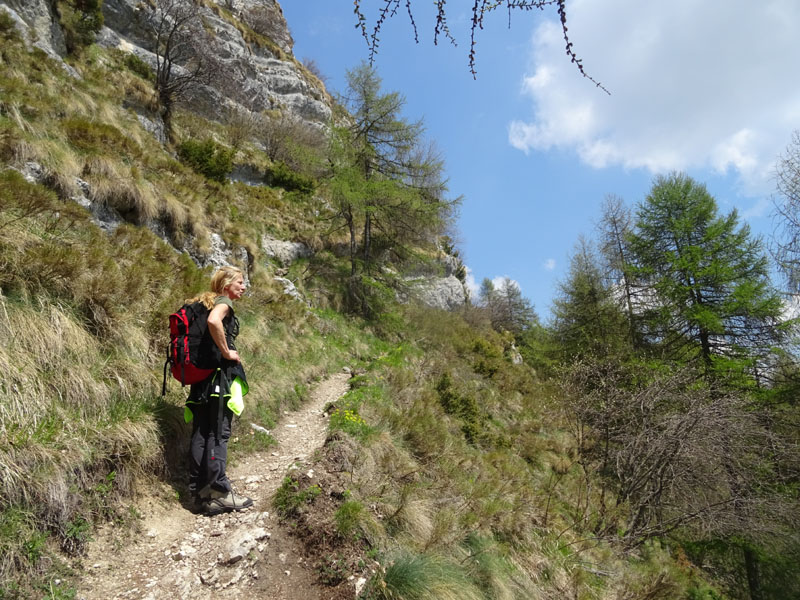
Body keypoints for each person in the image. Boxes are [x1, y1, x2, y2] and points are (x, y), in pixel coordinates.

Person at [184, 265, 253, 515]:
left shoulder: (203, 303)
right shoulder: (223, 303)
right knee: (218, 433)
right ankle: (220, 493)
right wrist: (226, 352)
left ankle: (201, 495)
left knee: (201, 433)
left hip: (201, 381)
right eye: (240, 283)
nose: (244, 287)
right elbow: (215, 321)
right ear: (226, 285)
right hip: (217, 380)